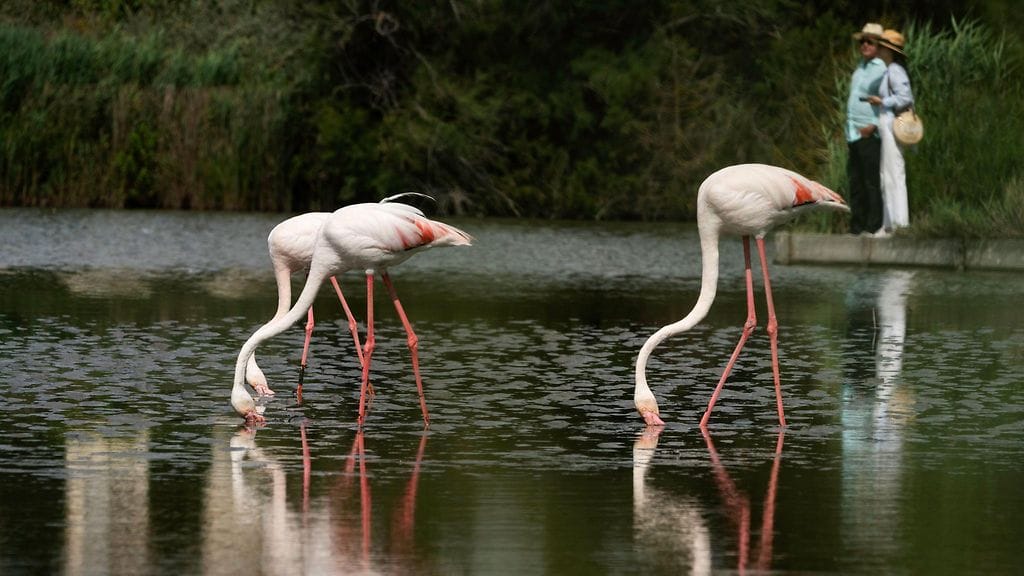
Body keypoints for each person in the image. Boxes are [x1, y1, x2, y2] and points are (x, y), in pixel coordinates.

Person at [868, 29, 914, 234]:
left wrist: (882, 101)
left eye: (881, 46)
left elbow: (905, 97)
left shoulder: (895, 70)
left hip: (892, 122)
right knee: (887, 174)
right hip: (887, 122)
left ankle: (899, 224)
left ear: (888, 50)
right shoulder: (890, 70)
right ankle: (890, 224)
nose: (877, 49)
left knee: (894, 173)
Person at [845, 23, 886, 235]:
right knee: (856, 181)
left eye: (870, 41)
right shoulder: (860, 67)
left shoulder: (882, 68)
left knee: (871, 181)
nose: (865, 45)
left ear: (879, 45)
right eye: (862, 41)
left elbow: (888, 100)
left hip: (869, 132)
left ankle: (873, 225)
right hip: (853, 132)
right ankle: (857, 225)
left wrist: (874, 125)